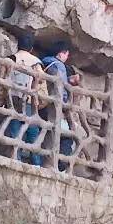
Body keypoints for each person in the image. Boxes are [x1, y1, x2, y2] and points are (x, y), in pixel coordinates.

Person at [2, 32, 46, 162]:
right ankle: (36, 162)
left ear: (17, 46)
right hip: (28, 100)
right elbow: (42, 79)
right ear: (31, 48)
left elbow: (3, 79)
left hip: (13, 99)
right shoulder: (36, 62)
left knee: (14, 128)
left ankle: (15, 158)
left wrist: (1, 98)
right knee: (32, 131)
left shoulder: (10, 59)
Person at [37, 40, 74, 170]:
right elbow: (61, 88)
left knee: (45, 132)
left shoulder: (43, 62)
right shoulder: (59, 66)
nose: (67, 57)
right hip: (54, 107)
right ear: (61, 53)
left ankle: (42, 161)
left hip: (41, 104)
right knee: (67, 137)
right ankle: (59, 165)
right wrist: (65, 104)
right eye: (66, 54)